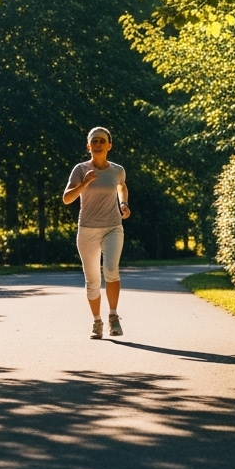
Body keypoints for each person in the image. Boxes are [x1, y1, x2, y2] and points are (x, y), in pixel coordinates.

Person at [62, 126, 130, 339]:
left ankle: (113, 316)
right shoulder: (80, 169)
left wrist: (124, 203)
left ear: (109, 145)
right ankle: (97, 322)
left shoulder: (117, 170)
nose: (98, 144)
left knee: (111, 269)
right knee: (92, 280)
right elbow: (67, 198)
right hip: (87, 230)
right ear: (88, 146)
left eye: (102, 141)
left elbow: (121, 186)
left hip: (113, 227)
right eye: (94, 141)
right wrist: (85, 183)